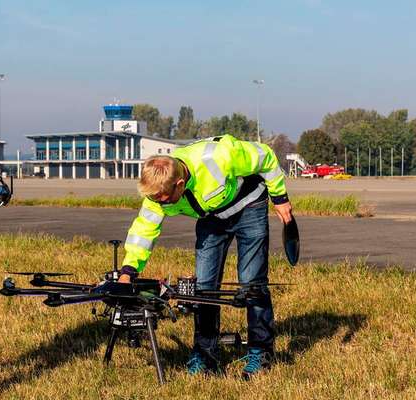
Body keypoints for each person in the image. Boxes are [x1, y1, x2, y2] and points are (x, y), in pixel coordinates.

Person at [118, 135, 292, 380]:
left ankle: (261, 353)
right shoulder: (157, 195)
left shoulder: (219, 156)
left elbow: (265, 156)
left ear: (179, 184)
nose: (159, 204)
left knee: (251, 282)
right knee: (203, 288)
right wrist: (128, 271)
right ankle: (204, 354)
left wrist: (280, 198)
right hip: (211, 218)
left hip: (249, 206)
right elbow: (144, 230)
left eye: (164, 200)